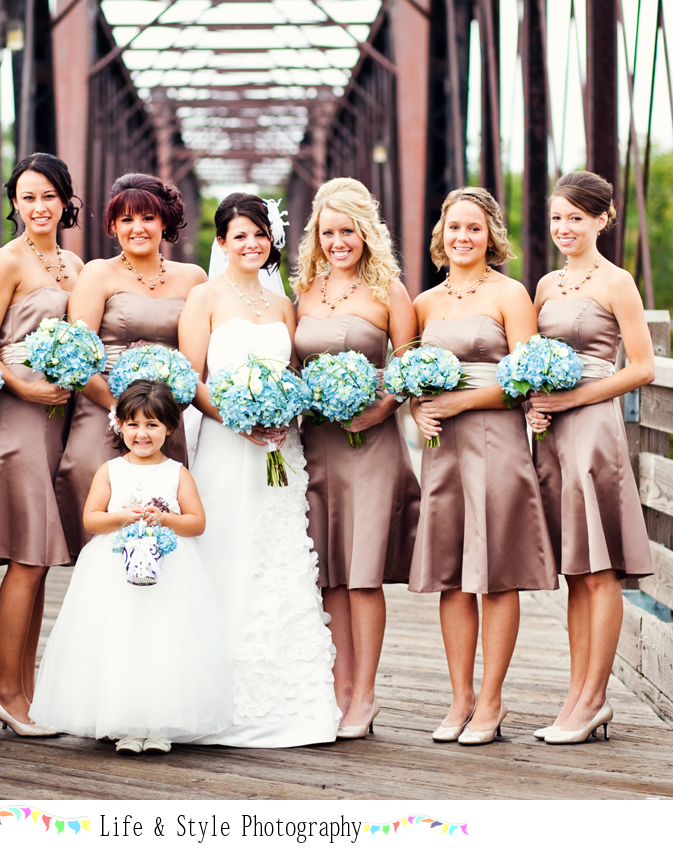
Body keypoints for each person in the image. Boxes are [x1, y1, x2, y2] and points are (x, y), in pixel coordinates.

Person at [180, 194, 340, 747]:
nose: (252, 244)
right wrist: (237, 419)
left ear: (271, 241)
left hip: (279, 448)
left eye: (260, 234)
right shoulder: (204, 298)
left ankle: (287, 700)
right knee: (225, 550)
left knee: (276, 556)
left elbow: (292, 373)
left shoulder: (282, 304)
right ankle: (211, 693)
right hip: (226, 446)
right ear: (222, 243)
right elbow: (191, 379)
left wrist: (282, 413)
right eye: (240, 235)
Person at [408, 187, 557, 745]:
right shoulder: (425, 303)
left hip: (496, 442)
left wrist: (461, 403)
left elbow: (528, 378)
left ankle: (492, 700)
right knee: (451, 574)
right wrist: (419, 408)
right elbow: (409, 378)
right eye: (454, 227)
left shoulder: (510, 294)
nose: (463, 237)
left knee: (494, 572)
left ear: (491, 235)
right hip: (442, 449)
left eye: (474, 227)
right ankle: (460, 698)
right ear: (441, 235)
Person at [30, 380, 232, 754]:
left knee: (162, 638)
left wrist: (165, 519)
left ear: (169, 428)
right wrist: (124, 516)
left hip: (169, 571)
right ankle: (125, 723)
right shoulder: (110, 470)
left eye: (152, 424)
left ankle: (159, 725)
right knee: (121, 638)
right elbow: (92, 519)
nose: (142, 433)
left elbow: (196, 523)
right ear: (119, 425)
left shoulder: (177, 473)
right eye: (133, 424)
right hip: (113, 571)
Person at [528, 171, 655, 744]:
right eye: (557, 217)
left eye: (576, 218)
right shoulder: (546, 284)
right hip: (553, 432)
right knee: (575, 570)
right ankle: (575, 698)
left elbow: (642, 367)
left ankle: (594, 699)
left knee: (600, 569)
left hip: (594, 427)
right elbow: (529, 357)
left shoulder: (617, 282)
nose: (564, 228)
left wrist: (573, 399)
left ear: (602, 220)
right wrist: (533, 403)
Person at [292, 177, 420, 739]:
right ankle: (339, 690)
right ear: (315, 237)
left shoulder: (389, 290)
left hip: (371, 444)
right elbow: (291, 368)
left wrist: (382, 408)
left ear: (366, 232)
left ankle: (365, 696)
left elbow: (409, 368)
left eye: (347, 231)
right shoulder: (304, 291)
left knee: (363, 575)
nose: (338, 242)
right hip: (317, 444)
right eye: (328, 233)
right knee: (329, 574)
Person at [0, 153, 85, 738]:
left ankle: (26, 691)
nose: (38, 207)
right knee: (27, 556)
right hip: (18, 417)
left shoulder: (74, 263)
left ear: (65, 200)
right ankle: (6, 691)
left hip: (59, 417)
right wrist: (25, 387)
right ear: (14, 204)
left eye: (48, 196)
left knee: (37, 560)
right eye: (27, 197)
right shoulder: (7, 261)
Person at [53, 174, 206, 558]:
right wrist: (121, 412)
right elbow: (76, 358)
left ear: (164, 221)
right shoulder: (98, 274)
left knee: (162, 527)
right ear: (113, 226)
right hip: (103, 408)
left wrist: (157, 415)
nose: (138, 228)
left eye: (148, 218)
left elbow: (194, 365)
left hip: (163, 418)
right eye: (126, 219)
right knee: (100, 537)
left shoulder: (193, 278)